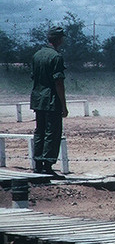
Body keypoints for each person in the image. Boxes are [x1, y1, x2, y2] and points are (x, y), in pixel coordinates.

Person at [30, 25, 68, 176]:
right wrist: (64, 105)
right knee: (52, 132)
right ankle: (48, 165)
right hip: (51, 100)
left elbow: (34, 77)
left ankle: (38, 164)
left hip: (38, 99)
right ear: (59, 39)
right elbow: (59, 82)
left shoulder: (37, 55)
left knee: (40, 131)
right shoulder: (56, 57)